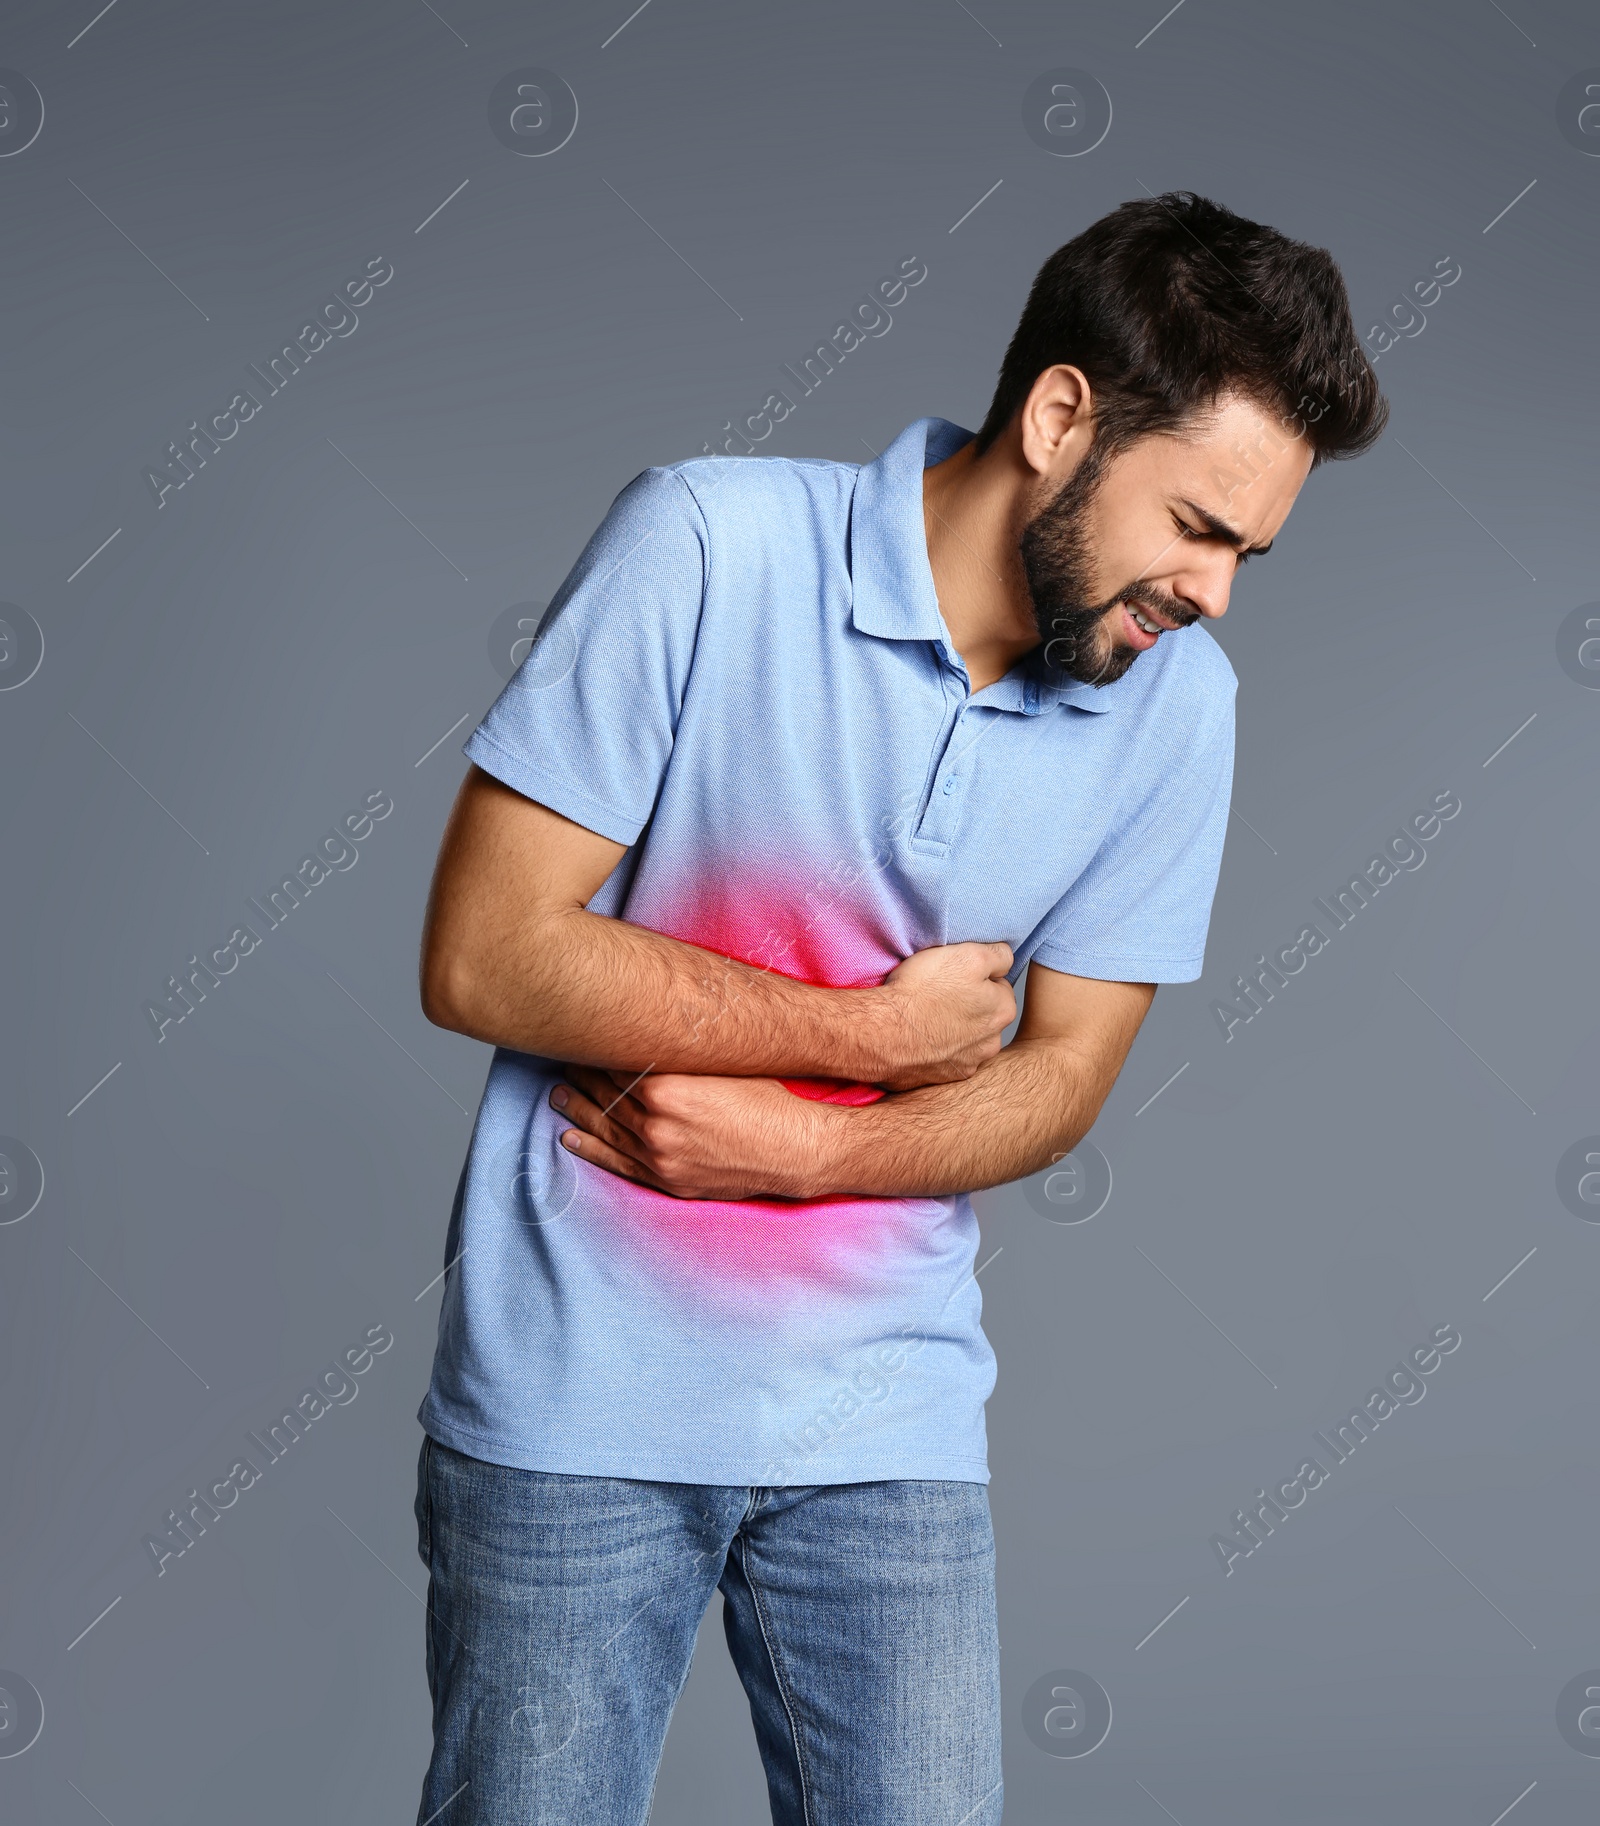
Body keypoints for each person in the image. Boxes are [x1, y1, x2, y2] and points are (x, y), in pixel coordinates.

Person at [412, 190, 1387, 1825]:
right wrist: (859, 1042)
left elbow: (1067, 1072)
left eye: (1248, 555)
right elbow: (483, 954)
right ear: (1062, 416)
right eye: (1200, 529)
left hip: (892, 1417)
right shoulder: (709, 544)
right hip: (569, 1401)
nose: (1215, 594)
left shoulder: (1179, 709)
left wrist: (799, 1153)